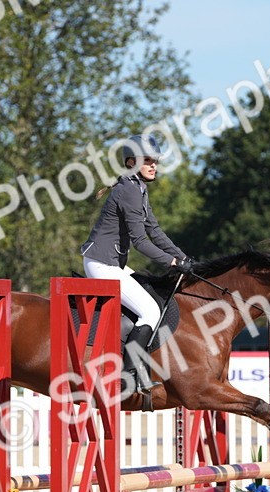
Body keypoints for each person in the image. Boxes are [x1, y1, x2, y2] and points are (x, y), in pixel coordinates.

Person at [80, 134, 193, 394]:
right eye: (147, 161)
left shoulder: (138, 188)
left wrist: (182, 256)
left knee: (151, 297)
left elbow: (154, 229)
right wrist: (173, 262)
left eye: (155, 161)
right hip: (101, 264)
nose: (153, 166)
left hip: (112, 263)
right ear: (132, 163)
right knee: (150, 313)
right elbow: (140, 241)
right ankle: (127, 375)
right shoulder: (128, 190)